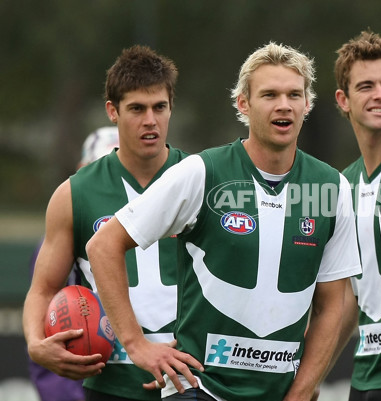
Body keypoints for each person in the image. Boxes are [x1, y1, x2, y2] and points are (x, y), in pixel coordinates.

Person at [85, 42, 362, 401]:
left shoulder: (332, 187)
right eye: (269, 94)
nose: (284, 105)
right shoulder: (202, 172)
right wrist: (137, 344)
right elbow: (103, 244)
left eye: (295, 94)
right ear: (243, 104)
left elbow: (331, 307)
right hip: (199, 388)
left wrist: (301, 391)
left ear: (307, 104)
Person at [23, 45, 188, 401]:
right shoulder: (74, 193)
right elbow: (43, 289)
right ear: (112, 111)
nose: (150, 120)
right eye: (137, 109)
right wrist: (36, 344)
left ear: (171, 107)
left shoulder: (201, 179)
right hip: (111, 384)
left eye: (159, 107)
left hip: (192, 379)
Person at [321, 31, 381, 401]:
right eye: (366, 86)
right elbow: (345, 297)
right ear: (343, 100)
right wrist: (314, 376)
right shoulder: (341, 186)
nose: (380, 94)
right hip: (365, 379)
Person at [26, 126, 119, 401]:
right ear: (82, 169)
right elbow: (48, 322)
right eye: (101, 165)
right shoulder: (59, 240)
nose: (109, 176)